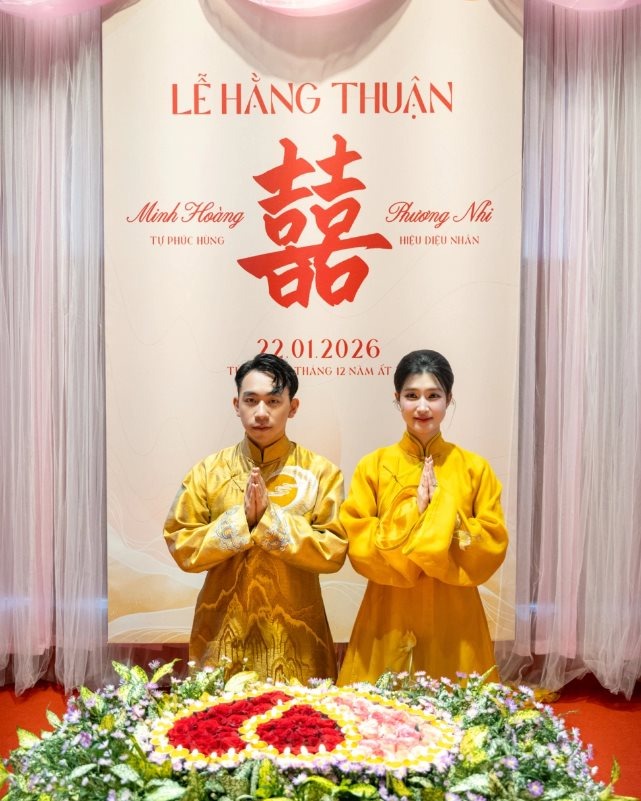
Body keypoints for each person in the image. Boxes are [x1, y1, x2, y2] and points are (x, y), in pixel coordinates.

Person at [163, 353, 347, 683]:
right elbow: (182, 544)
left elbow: (333, 551)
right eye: (251, 400)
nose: (261, 412)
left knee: (302, 715)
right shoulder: (208, 472)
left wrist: (269, 521)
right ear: (237, 405)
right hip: (222, 634)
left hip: (297, 637)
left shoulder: (321, 473)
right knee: (219, 715)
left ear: (293, 407)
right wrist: (241, 522)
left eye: (274, 401)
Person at [338, 349, 508, 685]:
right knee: (381, 709)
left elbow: (492, 540)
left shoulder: (474, 468)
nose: (422, 407)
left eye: (433, 396)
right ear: (397, 399)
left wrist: (446, 519)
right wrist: (413, 512)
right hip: (389, 607)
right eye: (411, 396)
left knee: (457, 706)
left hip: (454, 609)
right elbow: (358, 542)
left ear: (449, 399)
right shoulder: (373, 466)